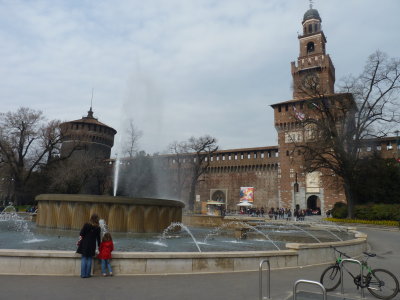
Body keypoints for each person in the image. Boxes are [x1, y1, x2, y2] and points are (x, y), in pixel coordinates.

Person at [76, 213, 101, 278]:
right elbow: (98, 238)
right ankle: (87, 274)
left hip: (85, 243)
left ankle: (83, 274)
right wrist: (99, 246)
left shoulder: (86, 224)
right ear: (97, 219)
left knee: (84, 258)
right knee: (89, 258)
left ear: (91, 218)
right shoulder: (98, 227)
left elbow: (81, 233)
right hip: (92, 244)